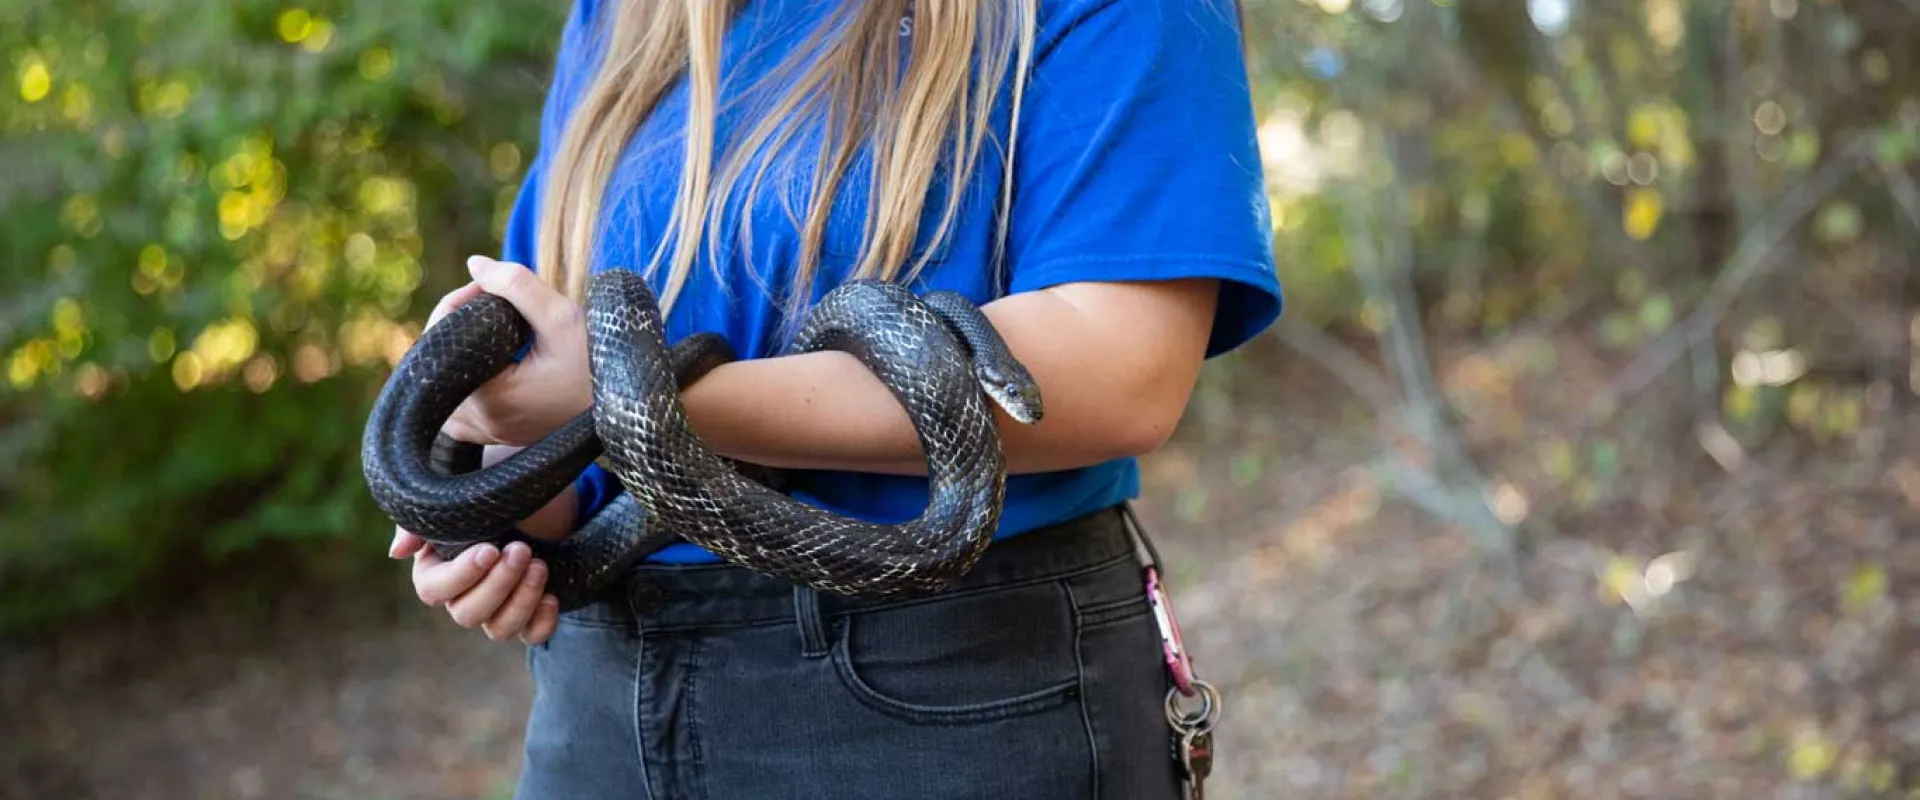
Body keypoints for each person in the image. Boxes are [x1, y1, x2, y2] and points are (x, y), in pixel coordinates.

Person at [386, 0, 1280, 796]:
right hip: (600, 699)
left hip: (961, 687)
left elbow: (1124, 379)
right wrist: (491, 496)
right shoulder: (618, 18)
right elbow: (553, 398)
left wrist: (616, 400)